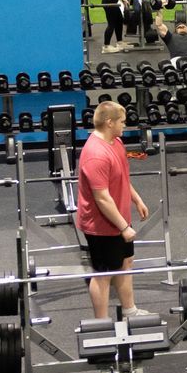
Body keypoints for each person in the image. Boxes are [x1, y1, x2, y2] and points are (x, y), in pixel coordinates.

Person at [75, 101, 149, 320]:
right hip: (101, 226)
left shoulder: (116, 142)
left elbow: (122, 177)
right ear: (109, 122)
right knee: (104, 274)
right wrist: (124, 227)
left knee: (126, 262)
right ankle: (101, 322)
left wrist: (136, 199)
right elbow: (102, 198)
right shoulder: (95, 154)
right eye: (122, 122)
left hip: (119, 218)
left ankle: (129, 311)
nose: (124, 126)